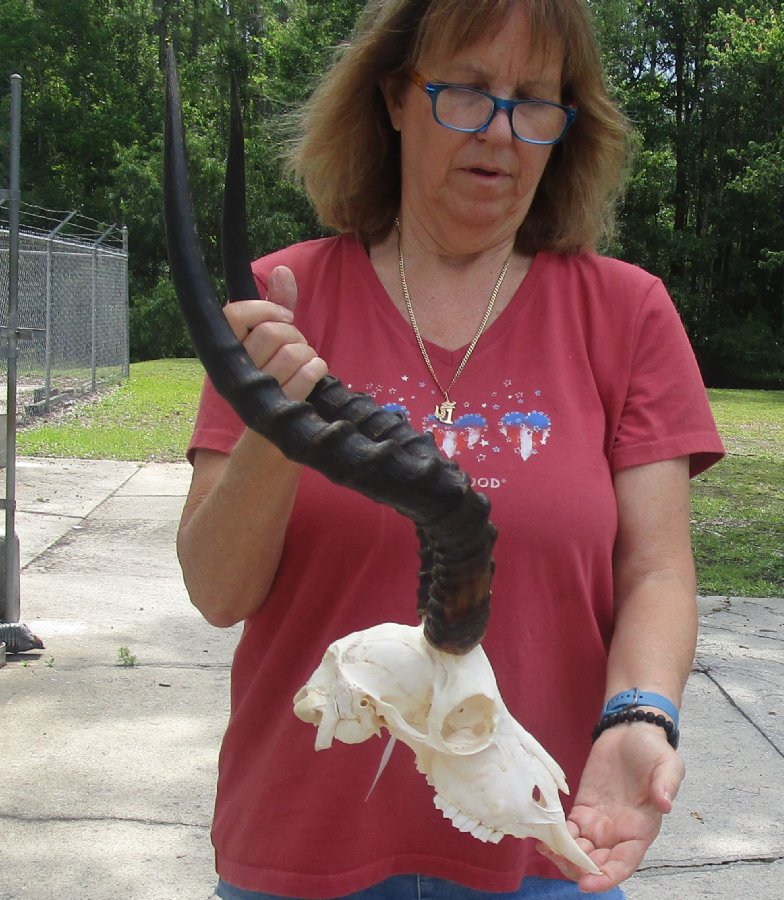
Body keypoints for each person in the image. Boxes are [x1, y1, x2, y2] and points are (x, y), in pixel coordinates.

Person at [176, 1, 725, 898]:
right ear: (396, 96)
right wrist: (278, 424)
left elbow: (656, 572)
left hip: (542, 842)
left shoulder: (626, 313)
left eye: (533, 101)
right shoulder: (282, 300)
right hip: (301, 847)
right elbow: (216, 591)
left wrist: (642, 713)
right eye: (466, 90)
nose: (500, 132)